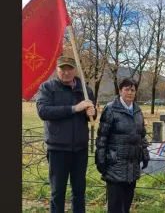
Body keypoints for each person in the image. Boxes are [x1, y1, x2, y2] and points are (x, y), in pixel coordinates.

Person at [36, 56, 97, 213]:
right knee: (57, 192)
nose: (66, 72)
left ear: (74, 70)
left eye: (69, 69)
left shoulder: (85, 89)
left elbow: (90, 116)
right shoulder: (47, 87)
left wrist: (92, 112)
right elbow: (43, 111)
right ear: (57, 70)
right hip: (57, 148)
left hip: (79, 149)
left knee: (79, 191)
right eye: (62, 69)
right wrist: (74, 108)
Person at [95, 77, 150, 213]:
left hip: (132, 164)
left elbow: (142, 134)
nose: (130, 93)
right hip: (115, 164)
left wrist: (145, 153)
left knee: (126, 204)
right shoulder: (111, 109)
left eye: (133, 90)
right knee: (114, 206)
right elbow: (102, 137)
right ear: (120, 90)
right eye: (126, 89)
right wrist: (101, 159)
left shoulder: (137, 110)